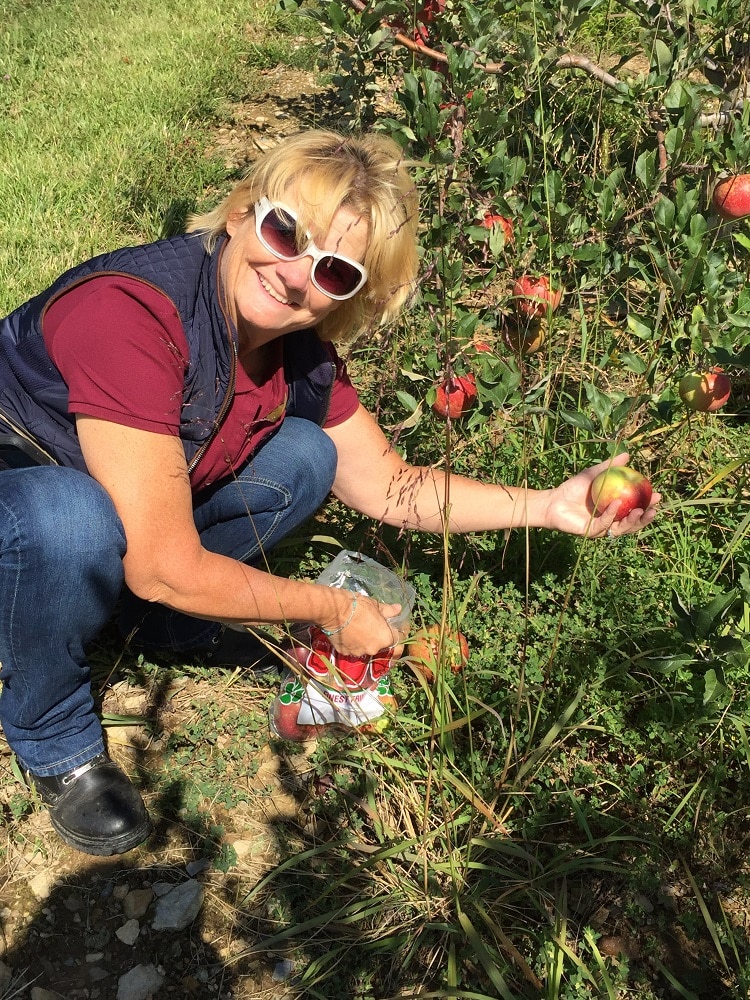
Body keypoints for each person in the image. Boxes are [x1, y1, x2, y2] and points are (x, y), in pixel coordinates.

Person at [0, 129, 659, 858]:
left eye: (335, 271)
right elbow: (160, 560)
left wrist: (546, 506)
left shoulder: (295, 351)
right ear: (241, 212)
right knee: (69, 520)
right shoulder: (131, 312)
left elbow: (392, 486)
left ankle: (159, 625)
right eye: (286, 231)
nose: (294, 275)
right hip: (23, 502)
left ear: (348, 298)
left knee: (306, 455)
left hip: (120, 508)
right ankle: (52, 729)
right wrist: (334, 609)